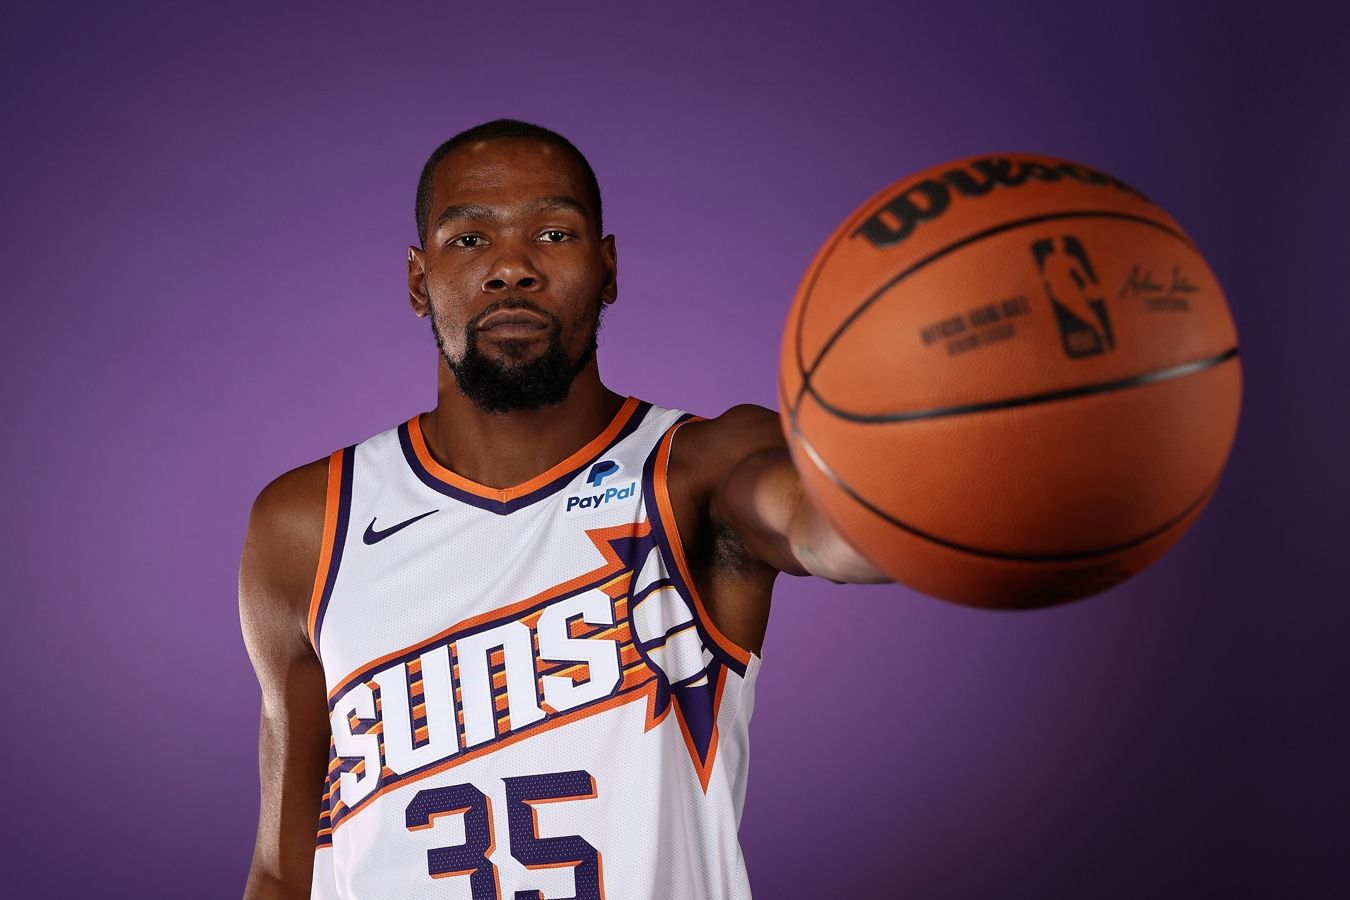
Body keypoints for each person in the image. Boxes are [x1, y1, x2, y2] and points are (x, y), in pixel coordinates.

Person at [239, 118, 889, 900]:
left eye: (553, 233)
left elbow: (832, 527)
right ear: (418, 280)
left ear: (607, 268)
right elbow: (282, 873)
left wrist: (918, 480)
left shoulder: (698, 471)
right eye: (469, 240)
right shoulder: (309, 524)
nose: (512, 267)